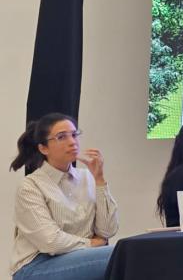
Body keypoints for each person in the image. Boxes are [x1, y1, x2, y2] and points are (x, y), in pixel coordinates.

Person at [9, 113, 118, 280]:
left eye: (74, 135)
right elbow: (50, 241)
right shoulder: (30, 186)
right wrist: (92, 244)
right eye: (61, 137)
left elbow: (107, 231)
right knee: (123, 255)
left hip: (79, 257)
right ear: (43, 148)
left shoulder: (87, 177)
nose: (72, 142)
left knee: (127, 253)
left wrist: (100, 180)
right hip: (36, 266)